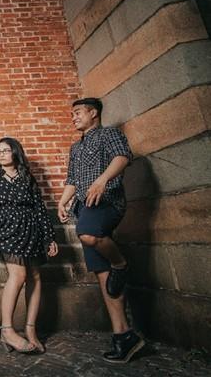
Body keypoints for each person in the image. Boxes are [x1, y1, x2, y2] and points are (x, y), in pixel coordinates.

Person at [58, 97, 145, 363]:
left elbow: (123, 157)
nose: (74, 117)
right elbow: (72, 179)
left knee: (89, 234)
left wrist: (102, 180)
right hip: (85, 207)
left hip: (107, 201)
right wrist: (62, 201)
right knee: (101, 272)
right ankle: (124, 336)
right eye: (72, 114)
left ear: (93, 113)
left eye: (78, 112)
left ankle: (120, 263)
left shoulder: (109, 134)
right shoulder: (76, 147)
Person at [0, 137, 58, 354]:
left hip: (31, 230)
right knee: (18, 275)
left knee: (35, 277)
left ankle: (30, 329)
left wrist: (49, 237)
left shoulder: (27, 177)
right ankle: (7, 329)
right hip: (7, 229)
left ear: (15, 152)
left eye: (6, 150)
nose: (2, 154)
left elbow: (39, 208)